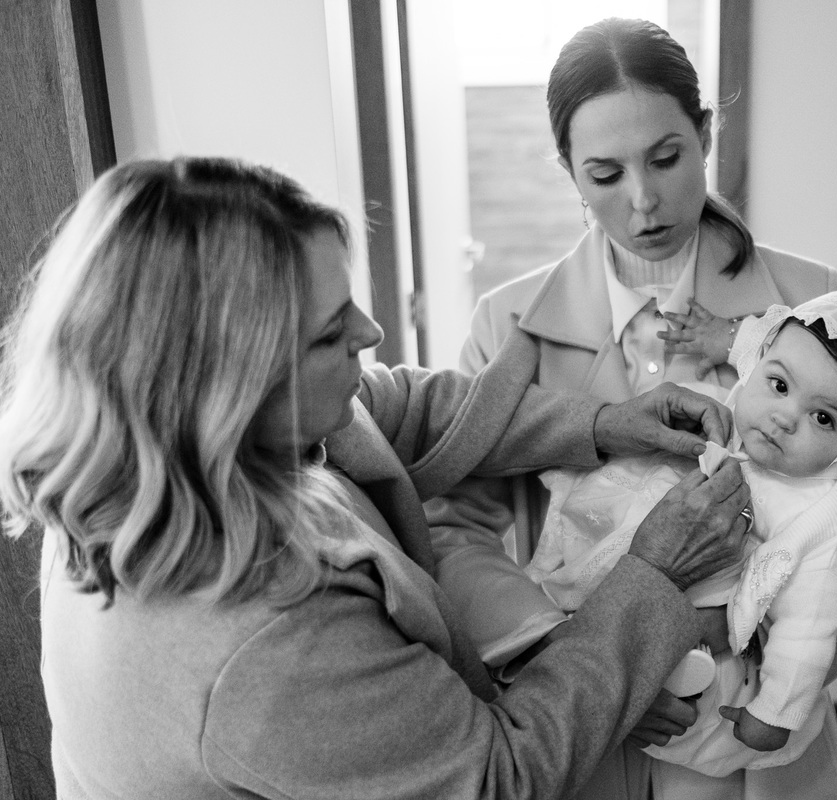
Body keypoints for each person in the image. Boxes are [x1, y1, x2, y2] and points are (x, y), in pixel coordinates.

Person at [0, 156, 755, 799]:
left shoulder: (166, 450)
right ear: (229, 385)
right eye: (332, 334)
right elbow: (496, 779)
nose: (372, 332)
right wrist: (651, 573)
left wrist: (599, 424)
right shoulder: (267, 639)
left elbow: (397, 408)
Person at [425, 17, 837, 800]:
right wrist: (589, 667)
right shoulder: (505, 325)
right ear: (568, 171)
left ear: (704, 134)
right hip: (581, 745)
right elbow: (454, 529)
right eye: (603, 174)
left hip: (762, 755)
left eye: (667, 158)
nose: (644, 201)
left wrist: (769, 673)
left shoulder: (813, 300)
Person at [526, 275, 837, 779]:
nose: (785, 418)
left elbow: (810, 625)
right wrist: (719, 336)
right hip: (645, 544)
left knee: (708, 643)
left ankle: (666, 672)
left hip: (730, 605)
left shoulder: (826, 510)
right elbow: (757, 346)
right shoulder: (750, 391)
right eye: (779, 387)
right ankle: (587, 634)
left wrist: (775, 712)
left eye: (823, 419)